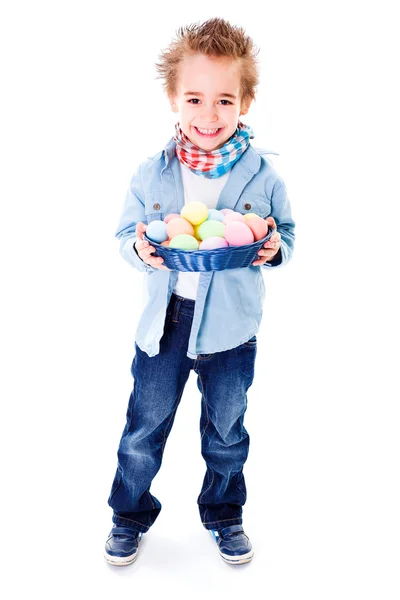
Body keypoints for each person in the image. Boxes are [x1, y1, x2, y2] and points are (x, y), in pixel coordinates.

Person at [104, 17, 295, 567]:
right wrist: (139, 249)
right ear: (173, 99)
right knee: (145, 425)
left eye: (224, 101)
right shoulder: (152, 173)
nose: (208, 115)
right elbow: (125, 234)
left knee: (227, 429)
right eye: (194, 98)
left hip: (232, 329)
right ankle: (128, 514)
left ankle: (224, 513)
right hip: (165, 324)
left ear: (246, 103)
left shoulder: (263, 176)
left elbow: (286, 235)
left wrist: (271, 247)